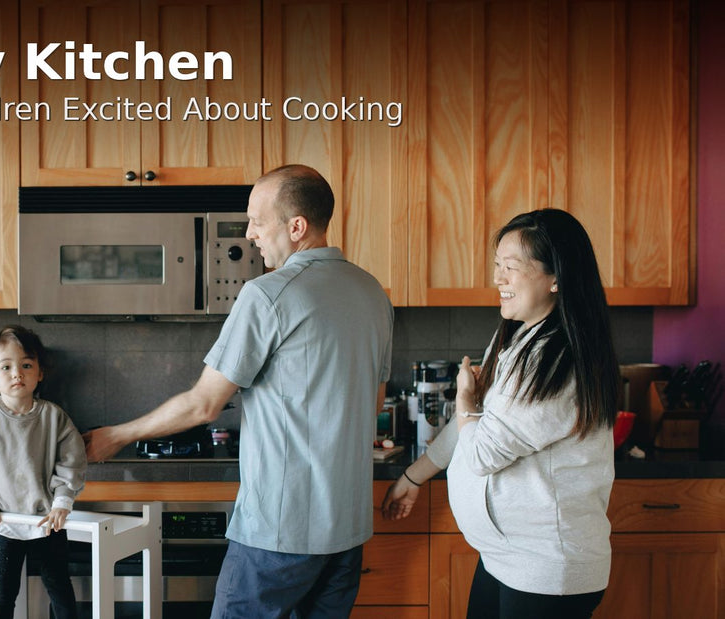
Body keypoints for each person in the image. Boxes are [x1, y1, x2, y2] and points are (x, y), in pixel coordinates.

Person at [85, 164, 393, 617]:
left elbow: (204, 404)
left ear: (297, 226)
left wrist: (116, 436)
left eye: (257, 220)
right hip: (346, 532)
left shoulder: (269, 294)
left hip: (279, 532)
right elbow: (374, 403)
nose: (250, 234)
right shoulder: (372, 293)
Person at [381, 209, 619, 619]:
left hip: (546, 568)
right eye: (497, 266)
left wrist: (465, 401)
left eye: (511, 268)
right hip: (506, 558)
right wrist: (413, 476)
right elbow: (471, 427)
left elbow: (481, 451)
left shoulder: (558, 360)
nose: (498, 279)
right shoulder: (517, 338)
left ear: (556, 277)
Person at [0, 325, 86, 619]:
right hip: (5, 521)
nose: (17, 373)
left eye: (26, 365)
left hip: (48, 520)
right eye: (6, 366)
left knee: (59, 588)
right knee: (2, 593)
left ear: (39, 373)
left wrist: (62, 503)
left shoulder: (54, 417)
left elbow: (71, 462)